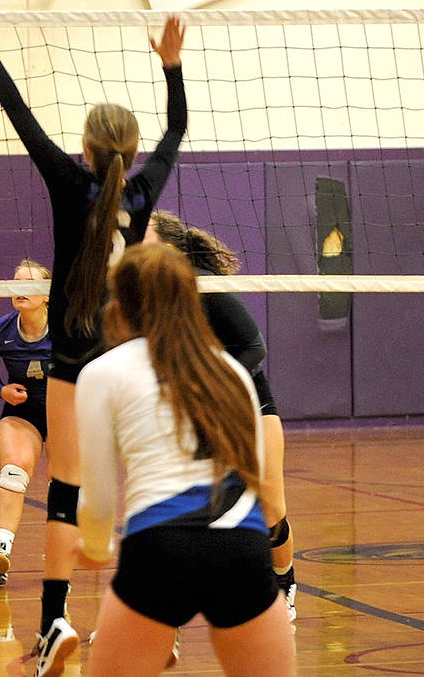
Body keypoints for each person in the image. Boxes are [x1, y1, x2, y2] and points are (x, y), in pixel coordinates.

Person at [0, 0, 187, 676]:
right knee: (148, 486)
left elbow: (18, 113)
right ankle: (158, 628)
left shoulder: (68, 180)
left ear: (87, 149)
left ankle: (55, 621)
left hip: (70, 355)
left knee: (62, 491)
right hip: (131, 359)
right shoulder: (144, 192)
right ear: (128, 150)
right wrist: (172, 68)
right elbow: (177, 132)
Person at [74, 243, 296, 676]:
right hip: (241, 547)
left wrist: (96, 546)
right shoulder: (231, 370)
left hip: (160, 546)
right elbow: (259, 481)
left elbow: (98, 499)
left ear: (118, 307)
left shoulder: (102, 371)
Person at [147, 210, 298, 621]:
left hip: (249, 404)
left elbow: (254, 347)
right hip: (197, 410)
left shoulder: (201, 283)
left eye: (145, 232)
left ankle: (284, 582)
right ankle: (160, 610)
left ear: (169, 246)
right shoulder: (150, 290)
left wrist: (214, 382)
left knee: (270, 506)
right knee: (178, 505)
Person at [0, 259, 53, 587]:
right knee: (14, 471)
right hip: (23, 414)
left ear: (47, 294)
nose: (21, 288)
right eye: (17, 281)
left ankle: (57, 555)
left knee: (61, 480)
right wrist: (2, 388)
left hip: (64, 412)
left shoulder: (68, 327)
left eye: (30, 283)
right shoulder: (0, 331)